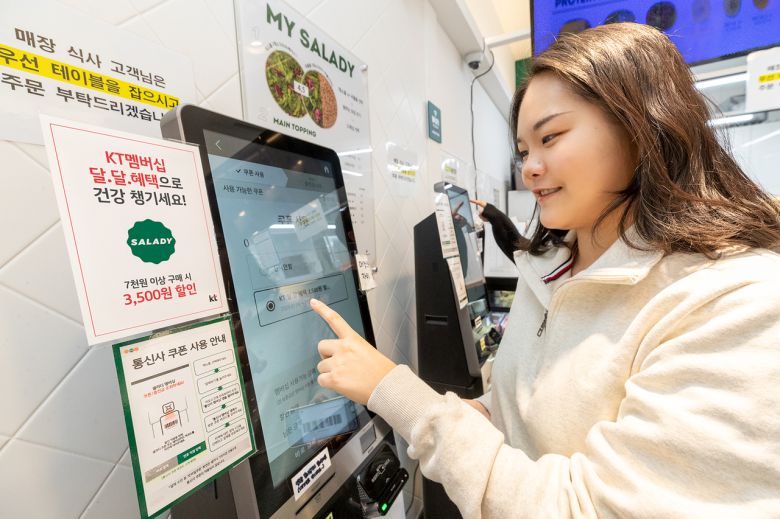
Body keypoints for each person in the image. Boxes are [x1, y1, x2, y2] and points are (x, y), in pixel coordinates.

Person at [309, 23, 780, 518]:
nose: (530, 168)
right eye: (523, 151)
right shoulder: (550, 268)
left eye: (550, 137)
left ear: (644, 128)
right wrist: (473, 414)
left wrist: (400, 394)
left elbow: (587, 508)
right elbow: (519, 409)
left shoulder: (735, 304)